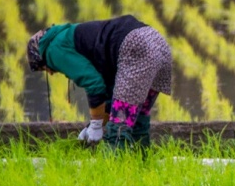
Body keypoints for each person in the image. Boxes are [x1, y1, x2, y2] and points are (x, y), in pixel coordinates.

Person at [27, 14, 172, 149]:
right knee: (138, 121)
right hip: (158, 44)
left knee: (117, 131)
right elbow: (110, 97)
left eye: (45, 69)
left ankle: (114, 172)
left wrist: (96, 125)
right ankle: (142, 167)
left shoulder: (52, 50)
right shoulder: (73, 37)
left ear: (41, 58)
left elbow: (94, 84)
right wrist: (93, 124)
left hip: (137, 47)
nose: (51, 73)